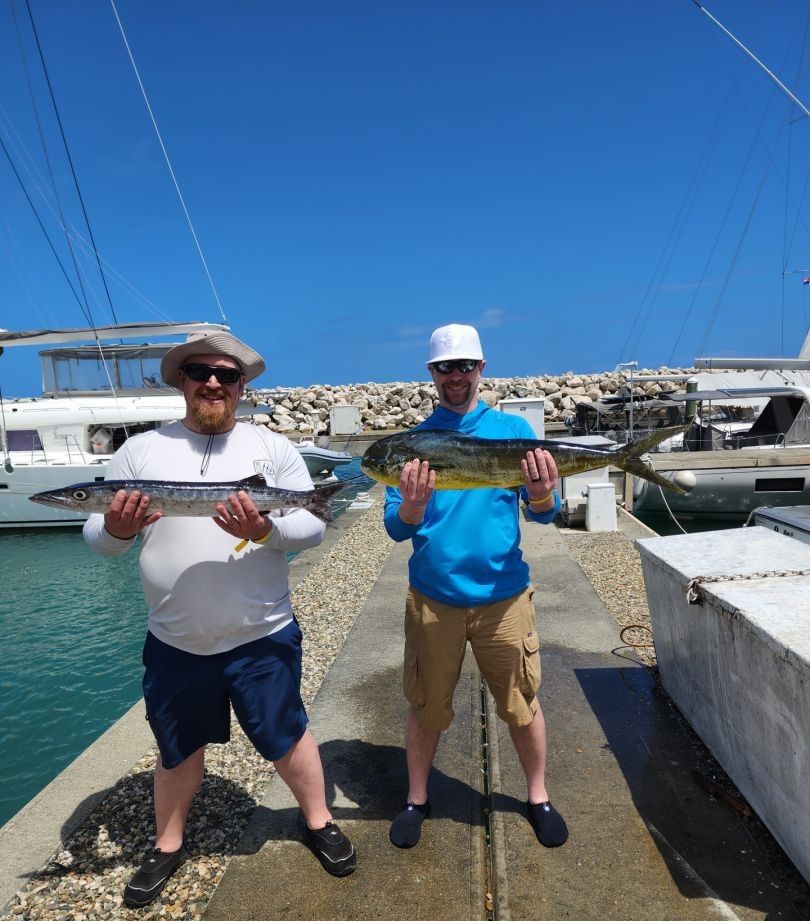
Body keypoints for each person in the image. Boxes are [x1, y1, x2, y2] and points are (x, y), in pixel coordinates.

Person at [83, 331, 356, 908]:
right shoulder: (139, 451)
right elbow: (98, 540)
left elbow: (311, 525)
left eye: (226, 375)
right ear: (181, 381)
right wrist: (117, 530)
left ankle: (319, 819)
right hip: (175, 640)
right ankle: (167, 843)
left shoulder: (273, 448)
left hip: (262, 634)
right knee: (176, 747)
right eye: (200, 372)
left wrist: (266, 530)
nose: (213, 383)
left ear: (241, 386)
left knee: (286, 733)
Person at [384, 323, 568, 850]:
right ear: (432, 373)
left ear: (481, 368)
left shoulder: (512, 430)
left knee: (521, 703)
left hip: (503, 599)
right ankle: (417, 798)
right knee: (427, 706)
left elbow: (544, 513)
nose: (456, 376)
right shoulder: (413, 443)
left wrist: (541, 493)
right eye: (446, 367)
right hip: (433, 601)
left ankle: (538, 796)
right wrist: (412, 506)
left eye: (465, 366)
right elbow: (396, 527)